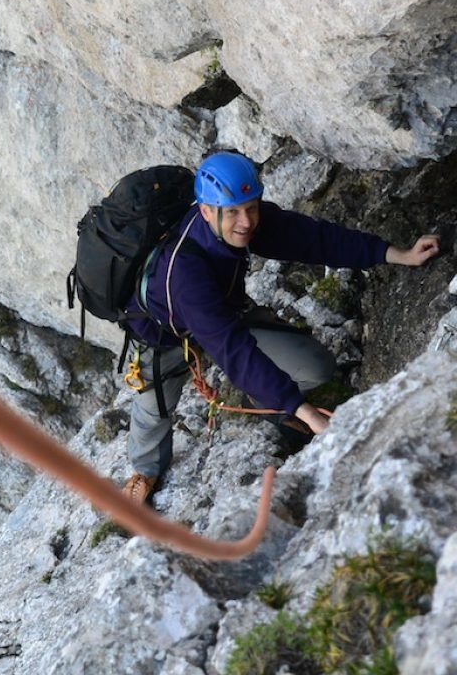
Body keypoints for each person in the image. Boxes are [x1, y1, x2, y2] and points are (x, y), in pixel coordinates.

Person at [121, 151, 440, 503]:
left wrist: (396, 253)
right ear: (206, 211)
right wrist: (305, 412)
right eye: (233, 213)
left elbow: (316, 239)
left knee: (316, 367)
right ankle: (145, 471)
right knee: (154, 410)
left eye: (252, 207)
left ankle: (265, 397)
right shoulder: (185, 274)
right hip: (163, 333)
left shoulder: (244, 221)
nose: (246, 221)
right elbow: (234, 353)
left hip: (224, 312)